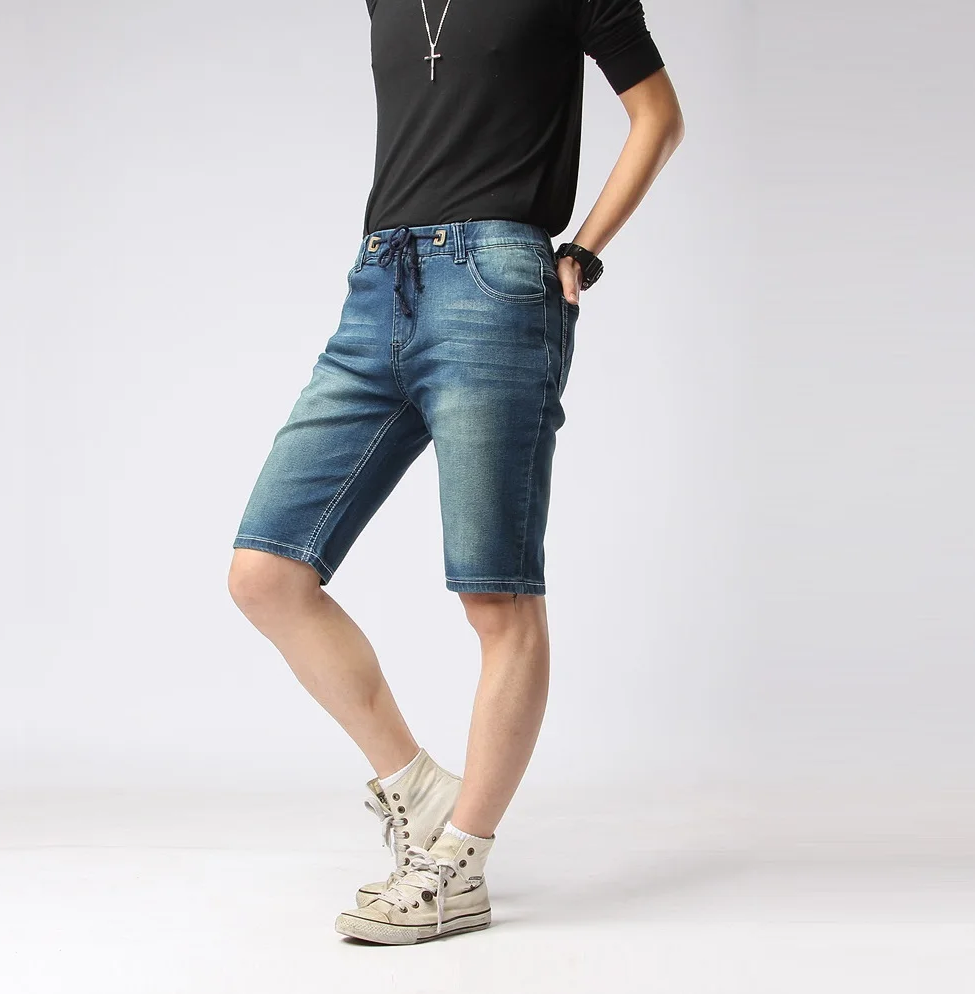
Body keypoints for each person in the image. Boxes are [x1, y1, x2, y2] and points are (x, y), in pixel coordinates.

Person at [227, 0, 684, 945]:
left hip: (496, 284)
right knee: (266, 572)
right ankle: (419, 790)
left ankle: (460, 862)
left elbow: (658, 115)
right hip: (377, 285)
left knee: (496, 596)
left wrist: (585, 248)